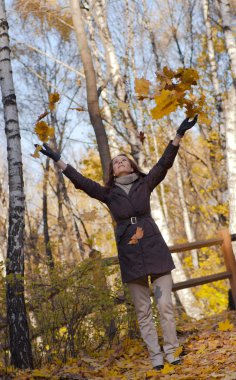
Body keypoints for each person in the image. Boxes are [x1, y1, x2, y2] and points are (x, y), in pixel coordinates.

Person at [36, 116, 198, 371]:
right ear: (112, 171)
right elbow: (82, 182)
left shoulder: (145, 183)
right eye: (115, 162)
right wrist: (58, 160)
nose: (120, 162)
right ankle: (155, 356)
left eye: (124, 159)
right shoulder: (108, 194)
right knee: (143, 311)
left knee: (165, 305)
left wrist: (178, 135)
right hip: (130, 252)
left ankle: (171, 350)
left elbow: (164, 164)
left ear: (131, 166)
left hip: (154, 248)